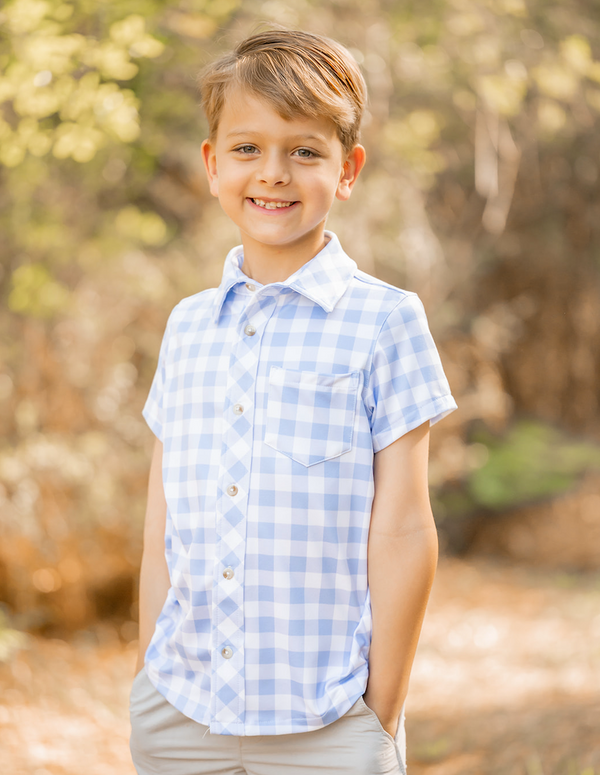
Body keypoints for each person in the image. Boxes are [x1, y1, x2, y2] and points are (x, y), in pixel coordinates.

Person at [129, 28, 457, 775]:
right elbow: (160, 529)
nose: (273, 173)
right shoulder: (187, 326)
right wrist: (150, 672)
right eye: (247, 148)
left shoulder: (385, 320)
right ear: (213, 165)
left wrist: (381, 711)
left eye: (305, 151)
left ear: (347, 171)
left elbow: (405, 528)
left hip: (330, 722)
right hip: (180, 716)